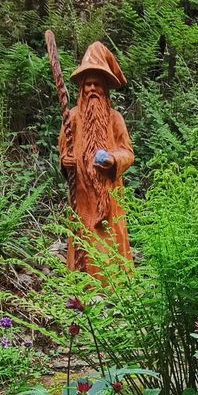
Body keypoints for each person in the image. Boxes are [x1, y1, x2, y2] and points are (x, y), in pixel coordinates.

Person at [58, 42, 134, 277]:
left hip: (109, 198)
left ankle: (115, 288)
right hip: (81, 196)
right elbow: (64, 153)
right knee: (83, 240)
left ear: (105, 90)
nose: (92, 89)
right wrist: (66, 162)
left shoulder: (115, 119)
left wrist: (113, 159)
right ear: (81, 88)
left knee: (111, 243)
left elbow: (127, 152)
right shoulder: (71, 119)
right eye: (87, 84)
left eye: (97, 84)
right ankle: (81, 289)